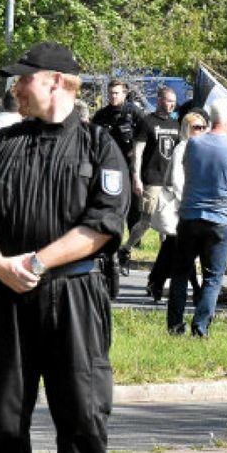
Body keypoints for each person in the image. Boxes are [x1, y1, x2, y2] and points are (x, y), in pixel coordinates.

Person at [0, 41, 129, 453]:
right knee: (2, 413)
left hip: (74, 297)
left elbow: (102, 225)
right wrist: (0, 266)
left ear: (55, 82)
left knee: (82, 416)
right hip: (7, 296)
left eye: (24, 79)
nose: (16, 88)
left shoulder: (99, 146)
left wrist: (35, 263)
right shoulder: (2, 145)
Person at [167, 97, 227, 338]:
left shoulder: (193, 144)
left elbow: (187, 169)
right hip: (220, 219)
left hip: (190, 215)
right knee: (213, 276)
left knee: (181, 272)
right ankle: (200, 327)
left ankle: (174, 326)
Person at [145, 112, 208, 302]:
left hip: (188, 204)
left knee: (174, 248)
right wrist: (186, 201)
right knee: (183, 248)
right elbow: (177, 179)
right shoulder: (183, 148)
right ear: (186, 129)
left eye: (204, 127)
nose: (201, 131)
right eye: (196, 127)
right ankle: (194, 289)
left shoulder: (198, 148)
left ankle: (156, 281)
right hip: (181, 205)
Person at [91, 79, 145, 257]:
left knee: (134, 205)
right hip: (108, 165)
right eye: (111, 93)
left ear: (124, 93)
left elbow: (145, 135)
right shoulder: (101, 115)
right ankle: (110, 236)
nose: (113, 96)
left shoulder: (135, 113)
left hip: (130, 164)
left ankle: (135, 241)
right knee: (111, 201)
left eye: (117, 93)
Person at [131, 86, 180, 252]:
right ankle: (126, 248)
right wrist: (136, 178)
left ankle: (164, 258)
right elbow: (137, 153)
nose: (172, 105)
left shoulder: (176, 124)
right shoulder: (147, 122)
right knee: (146, 221)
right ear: (159, 100)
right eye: (169, 101)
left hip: (171, 181)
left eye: (174, 102)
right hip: (152, 179)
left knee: (169, 222)